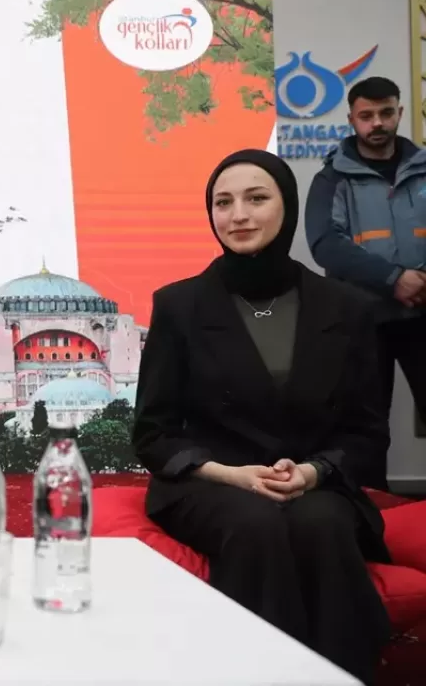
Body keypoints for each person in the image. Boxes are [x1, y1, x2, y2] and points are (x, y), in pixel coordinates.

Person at [135, 149, 391, 684]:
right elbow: (153, 434)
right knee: (255, 524)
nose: (238, 215)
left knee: (321, 523)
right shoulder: (179, 306)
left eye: (256, 198)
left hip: (316, 479)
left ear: (287, 206)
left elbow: (367, 431)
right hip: (211, 481)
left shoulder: (347, 307)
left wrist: (313, 472)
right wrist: (231, 475)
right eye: (223, 202)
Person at [305, 75, 426, 486]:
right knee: (367, 426)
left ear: (400, 113)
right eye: (367, 115)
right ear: (351, 119)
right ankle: (374, 509)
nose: (377, 123)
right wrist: (395, 279)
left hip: (423, 314)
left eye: (386, 113)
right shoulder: (332, 178)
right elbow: (326, 244)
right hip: (362, 320)